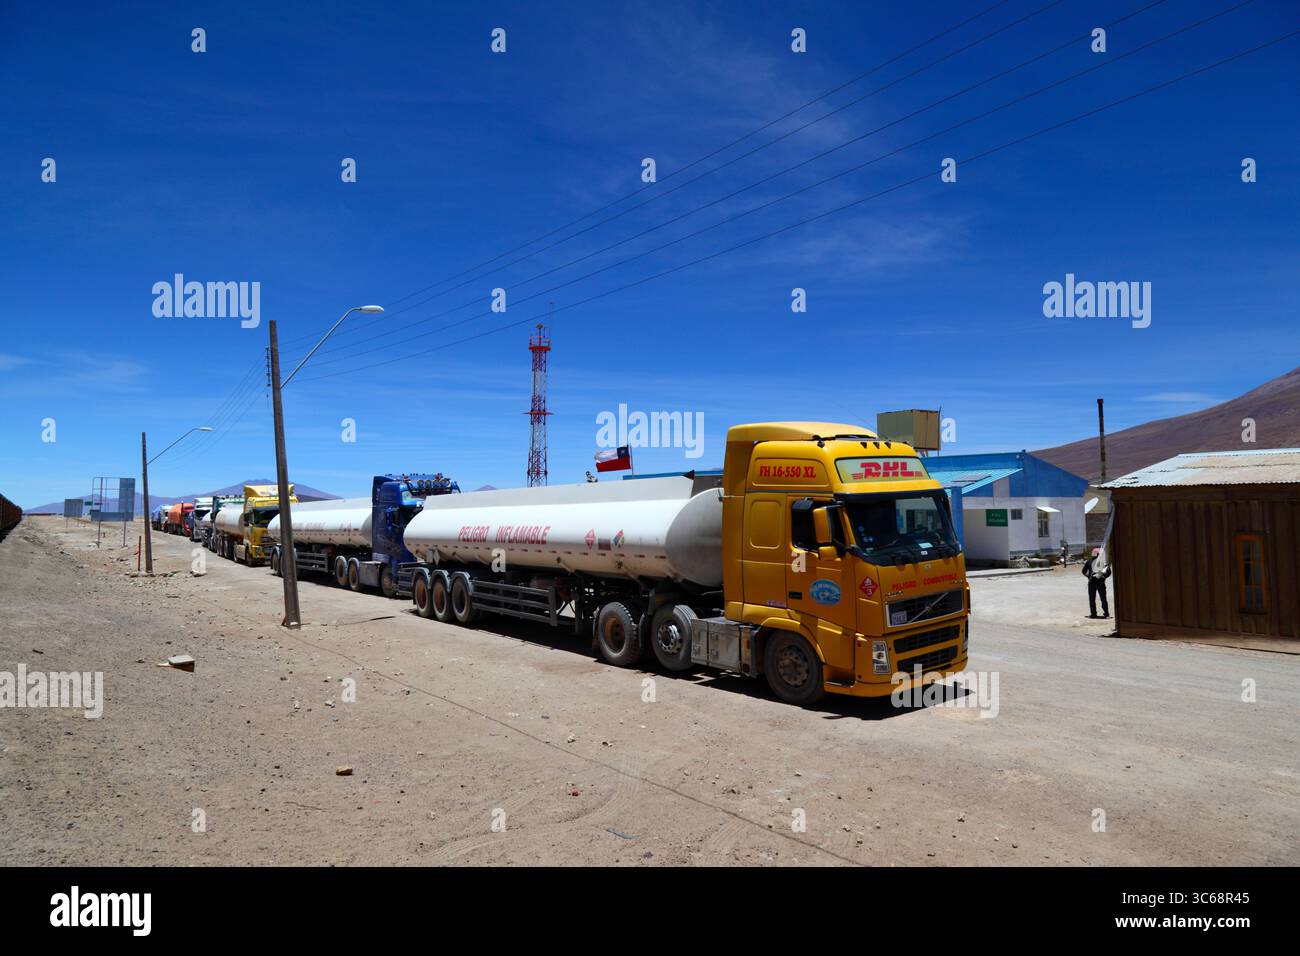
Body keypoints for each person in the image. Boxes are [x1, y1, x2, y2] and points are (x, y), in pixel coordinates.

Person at [1081, 547, 1111, 618]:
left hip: (1100, 583)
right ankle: (1094, 614)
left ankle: (1106, 613)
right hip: (1092, 583)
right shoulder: (1089, 562)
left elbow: (1108, 572)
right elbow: (1083, 571)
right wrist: (1088, 576)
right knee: (1093, 599)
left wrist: (1103, 576)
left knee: (1102, 599)